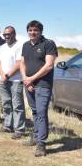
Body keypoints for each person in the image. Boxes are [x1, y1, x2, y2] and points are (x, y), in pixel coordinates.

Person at [20, 20, 57, 157]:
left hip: (43, 84)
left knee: (41, 112)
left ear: (41, 31)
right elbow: (22, 63)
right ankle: (35, 137)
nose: (32, 32)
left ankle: (41, 143)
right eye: (30, 30)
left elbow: (49, 66)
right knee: (35, 111)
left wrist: (32, 78)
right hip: (29, 83)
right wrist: (26, 79)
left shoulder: (48, 44)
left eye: (35, 30)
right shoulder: (25, 45)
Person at [0, 26, 26, 139]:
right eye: (5, 35)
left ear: (14, 34)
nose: (7, 36)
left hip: (16, 80)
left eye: (9, 34)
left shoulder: (20, 46)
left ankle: (19, 129)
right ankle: (8, 125)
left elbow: (19, 64)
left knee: (17, 105)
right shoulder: (3, 47)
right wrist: (2, 74)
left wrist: (8, 75)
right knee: (6, 104)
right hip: (3, 79)